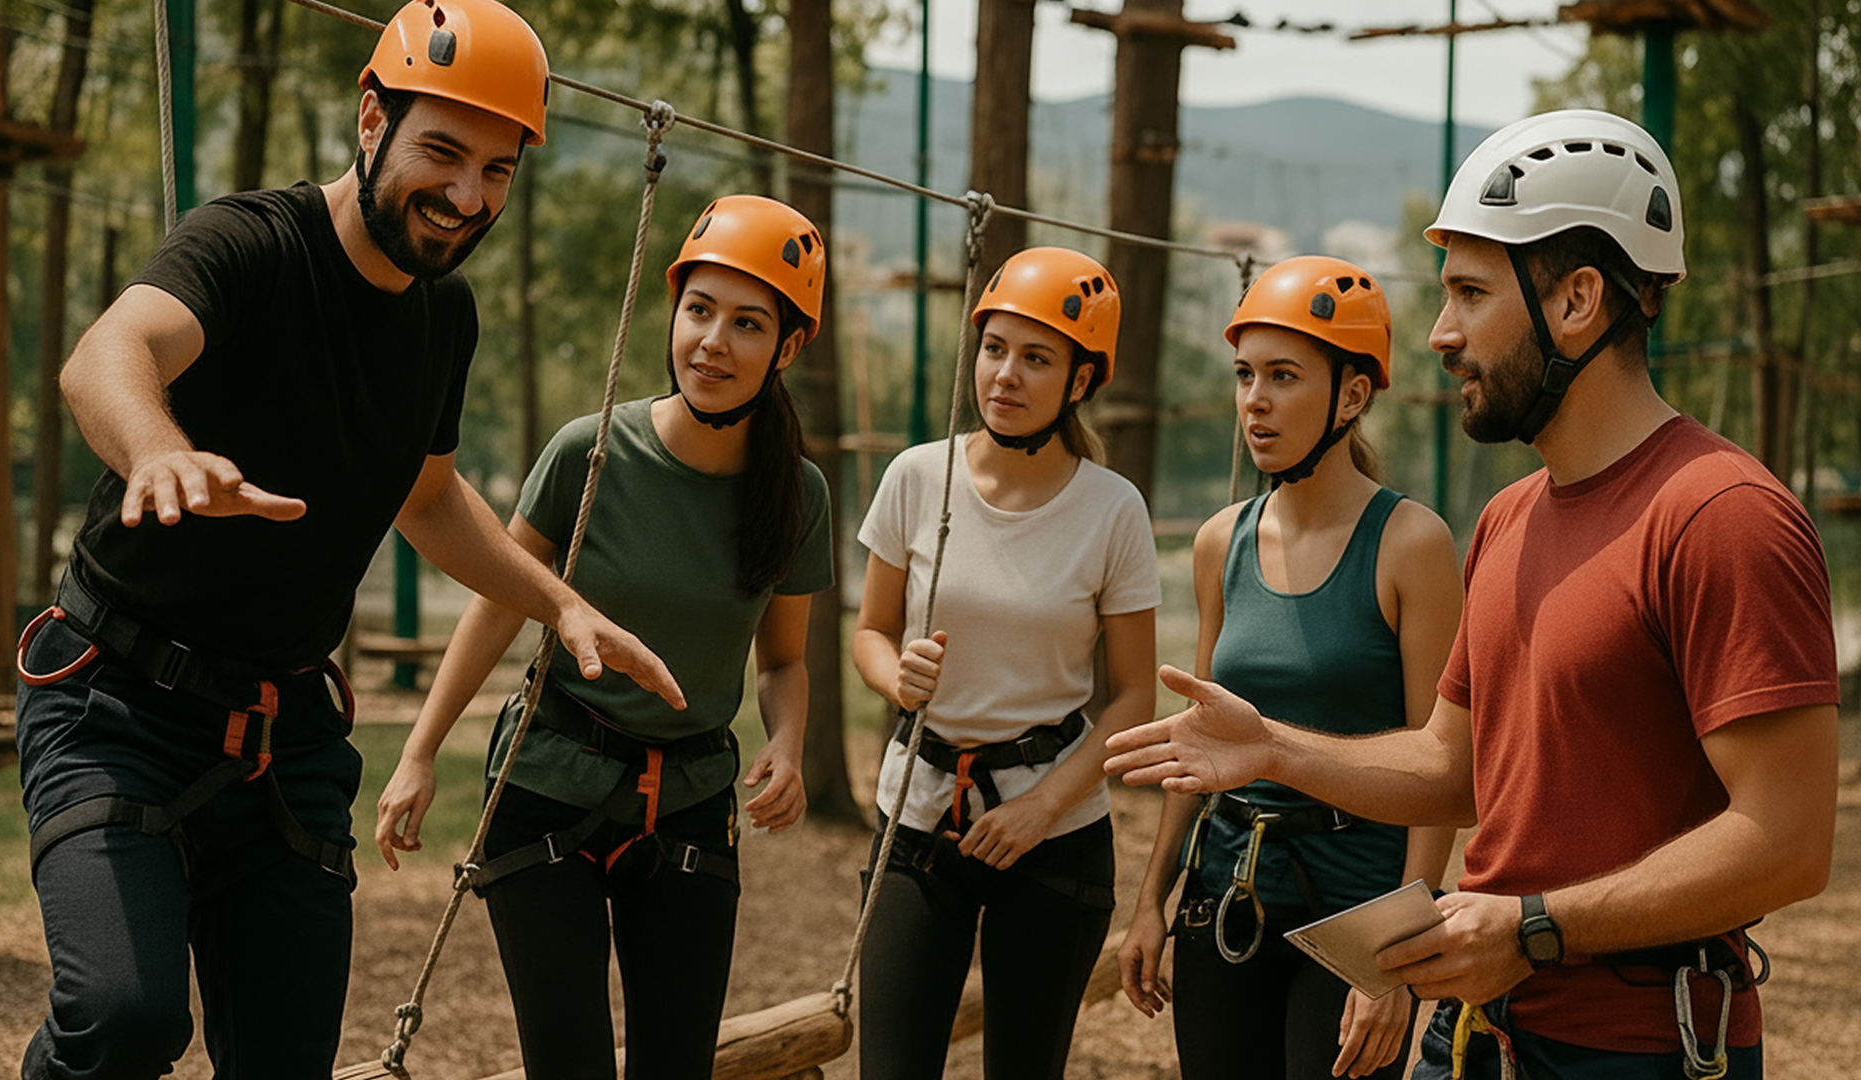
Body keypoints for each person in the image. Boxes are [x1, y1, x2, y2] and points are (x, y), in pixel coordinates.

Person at [10, 3, 683, 1077]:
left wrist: (561, 604)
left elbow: (430, 499)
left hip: (285, 746)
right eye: (443, 152)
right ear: (372, 119)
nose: (468, 196)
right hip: (117, 706)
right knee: (126, 1017)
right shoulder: (248, 243)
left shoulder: (443, 317)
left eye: (498, 171)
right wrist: (159, 452)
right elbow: (105, 357)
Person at [1106, 109, 1840, 1079]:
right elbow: (1456, 770)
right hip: (1478, 1035)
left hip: (1638, 1051)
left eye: (1470, 293)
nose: (1441, 335)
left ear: (1578, 300)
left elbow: (1788, 842)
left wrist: (1535, 929)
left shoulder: (1722, 517)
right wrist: (1274, 749)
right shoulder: (1509, 518)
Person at [373, 193, 832, 1079]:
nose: (712, 342)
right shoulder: (589, 454)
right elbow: (498, 602)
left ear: (788, 345)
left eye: (747, 324)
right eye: (699, 310)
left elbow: (783, 660)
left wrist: (787, 740)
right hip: (549, 782)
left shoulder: (796, 495)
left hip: (690, 795)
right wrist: (420, 753)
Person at [1116, 255, 1464, 1079]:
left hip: (1357, 912)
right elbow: (1199, 744)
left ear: (1352, 394)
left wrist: (1399, 953)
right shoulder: (1220, 542)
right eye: (1245, 375)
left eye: (1283, 376)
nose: (1254, 400)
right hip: (1225, 894)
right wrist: (1150, 903)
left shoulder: (1412, 544)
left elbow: (1440, 770)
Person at [851, 246, 1161, 1080]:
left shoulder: (1112, 509)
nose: (1006, 375)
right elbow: (871, 631)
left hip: (1055, 832)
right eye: (994, 349)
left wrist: (1041, 808)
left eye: (1036, 358)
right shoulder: (917, 476)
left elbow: (1134, 695)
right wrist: (892, 675)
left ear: (1081, 379)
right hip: (919, 816)